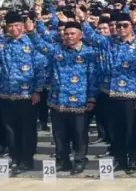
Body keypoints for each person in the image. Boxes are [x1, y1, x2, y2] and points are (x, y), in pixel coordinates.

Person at [27, 19, 100, 174]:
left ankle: (79, 160)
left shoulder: (89, 53)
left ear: (80, 35)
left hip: (79, 102)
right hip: (57, 101)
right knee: (59, 135)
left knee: (79, 134)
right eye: (66, 34)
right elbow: (41, 46)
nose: (69, 37)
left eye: (72, 33)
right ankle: (63, 161)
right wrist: (32, 32)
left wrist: (91, 98)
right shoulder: (57, 51)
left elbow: (93, 78)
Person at [81, 12, 136, 173]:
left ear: (132, 27)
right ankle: (120, 158)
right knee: (115, 129)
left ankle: (133, 158)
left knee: (131, 129)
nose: (121, 28)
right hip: (109, 94)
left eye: (125, 25)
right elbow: (92, 37)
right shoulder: (110, 43)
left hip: (130, 95)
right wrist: (83, 20)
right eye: (118, 26)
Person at [0, 12, 45, 175]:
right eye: (10, 26)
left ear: (22, 26)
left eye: (16, 25)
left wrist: (38, 90)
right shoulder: (2, 43)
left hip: (27, 94)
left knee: (27, 129)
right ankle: (15, 158)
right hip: (6, 94)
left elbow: (40, 68)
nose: (13, 29)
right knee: (10, 129)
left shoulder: (30, 43)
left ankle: (27, 159)